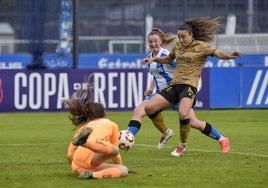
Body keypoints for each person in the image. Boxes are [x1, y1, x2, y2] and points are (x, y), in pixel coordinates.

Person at [142, 17, 241, 157]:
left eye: (183, 37)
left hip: (189, 86)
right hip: (175, 85)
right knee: (149, 107)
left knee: (184, 114)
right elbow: (168, 59)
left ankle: (184, 146)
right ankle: (167, 132)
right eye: (179, 37)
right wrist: (154, 59)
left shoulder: (202, 46)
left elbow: (218, 53)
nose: (181, 40)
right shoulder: (178, 46)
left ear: (191, 35)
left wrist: (230, 56)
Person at [64, 84, 128, 179]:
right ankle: (86, 144)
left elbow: (70, 154)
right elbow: (115, 154)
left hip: (77, 165)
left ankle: (91, 174)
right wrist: (119, 164)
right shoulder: (111, 124)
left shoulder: (85, 127)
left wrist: (75, 166)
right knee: (121, 164)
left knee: (116, 165)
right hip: (91, 158)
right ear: (104, 113)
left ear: (88, 116)